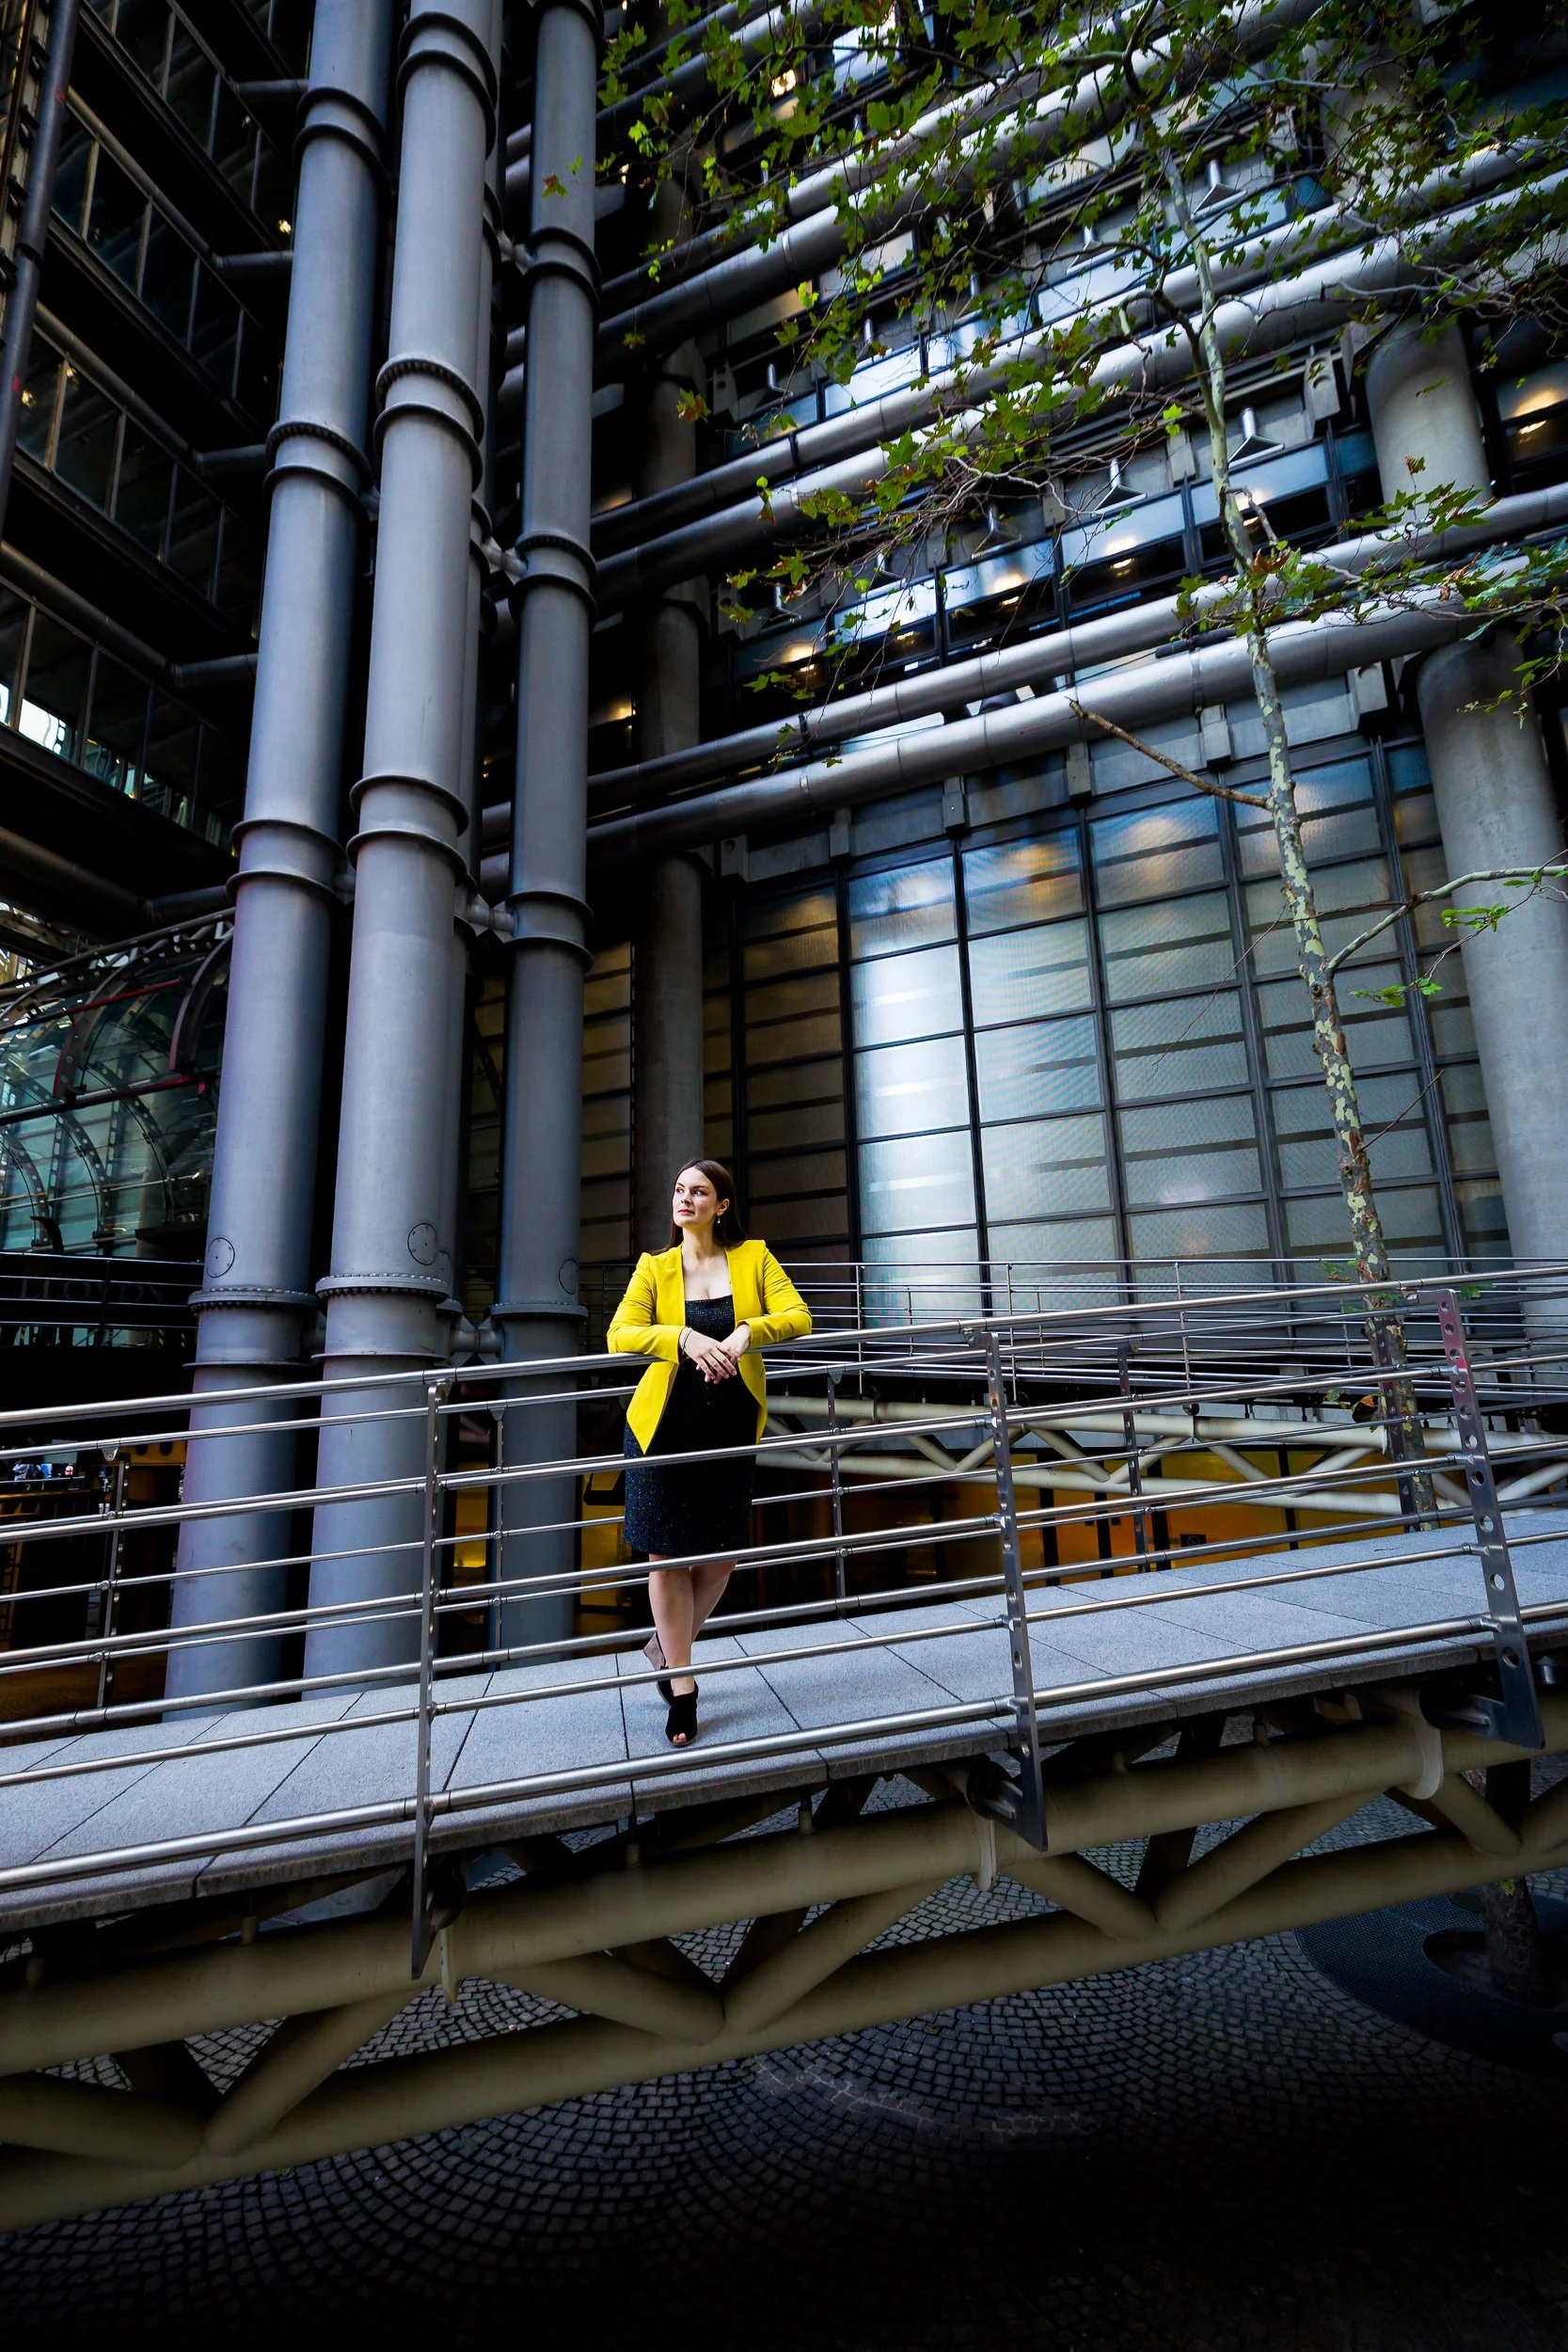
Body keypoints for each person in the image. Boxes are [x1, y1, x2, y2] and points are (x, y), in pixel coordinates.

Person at [608, 1159, 812, 1746]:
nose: (685, 1198)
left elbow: (797, 1314)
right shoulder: (655, 1268)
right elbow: (619, 1335)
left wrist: (746, 1332)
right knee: (667, 1558)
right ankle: (685, 1685)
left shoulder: (754, 1258)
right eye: (679, 1190)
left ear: (722, 1204)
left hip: (728, 1429)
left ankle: (664, 1651)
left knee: (720, 1559)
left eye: (699, 1191)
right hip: (662, 1431)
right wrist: (683, 1337)